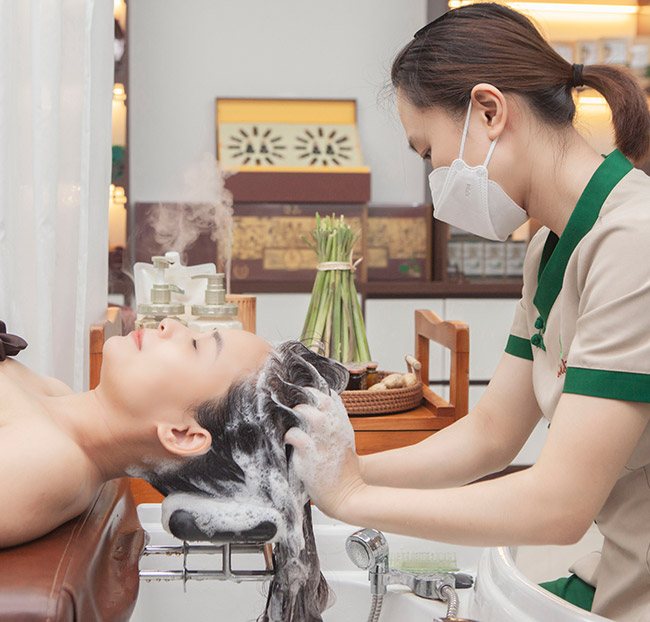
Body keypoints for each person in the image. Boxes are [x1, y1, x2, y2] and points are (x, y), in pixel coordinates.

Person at [285, 4, 650, 622]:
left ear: (489, 111)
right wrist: (340, 474)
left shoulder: (633, 240)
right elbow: (490, 436)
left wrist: (352, 498)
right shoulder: (550, 246)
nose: (436, 181)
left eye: (429, 151)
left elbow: (559, 506)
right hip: (618, 573)